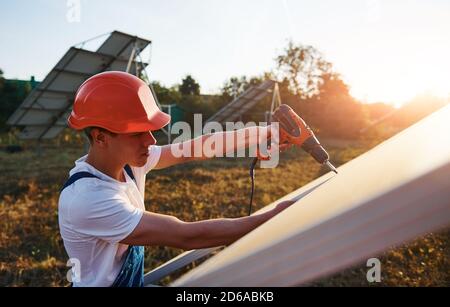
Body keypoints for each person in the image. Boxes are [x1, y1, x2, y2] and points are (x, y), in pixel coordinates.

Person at [58, 71, 295, 287]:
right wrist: (271, 218)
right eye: (138, 133)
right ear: (100, 138)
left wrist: (263, 132)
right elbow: (186, 235)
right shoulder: (86, 198)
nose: (150, 140)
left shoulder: (128, 162)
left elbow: (192, 149)